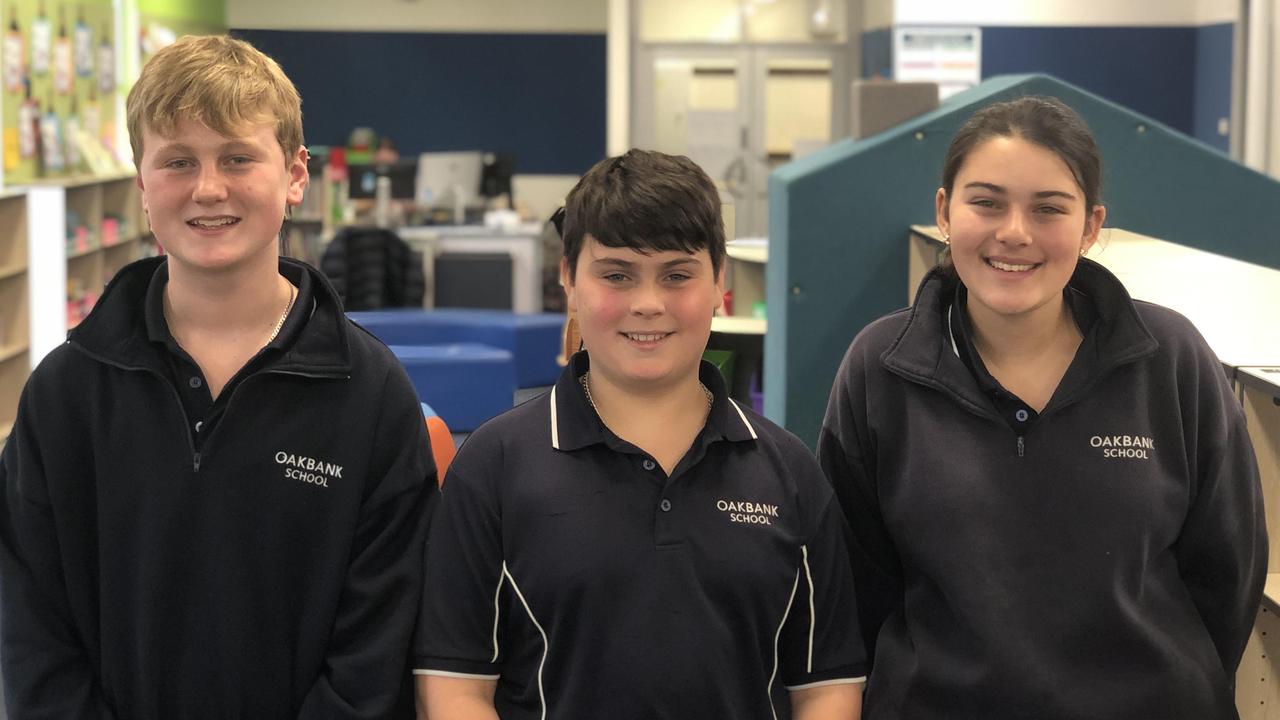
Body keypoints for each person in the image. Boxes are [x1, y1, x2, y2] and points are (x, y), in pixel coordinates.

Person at [0, 35, 436, 718]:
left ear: (295, 175)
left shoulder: (371, 392)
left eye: (238, 157)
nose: (209, 188)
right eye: (178, 161)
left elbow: (377, 647)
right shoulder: (66, 394)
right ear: (142, 185)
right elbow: (32, 632)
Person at [818, 95, 1265, 719]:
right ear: (945, 212)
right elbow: (856, 582)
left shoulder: (1170, 360)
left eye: (1049, 208)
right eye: (987, 201)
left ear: (1090, 226)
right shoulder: (881, 367)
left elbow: (1228, 570)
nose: (1015, 233)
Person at [414, 149, 866, 719]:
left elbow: (827, 685)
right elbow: (455, 687)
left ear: (719, 283)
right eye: (617, 275)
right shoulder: (493, 467)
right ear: (568, 281)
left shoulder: (790, 473)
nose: (648, 304)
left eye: (677, 275)